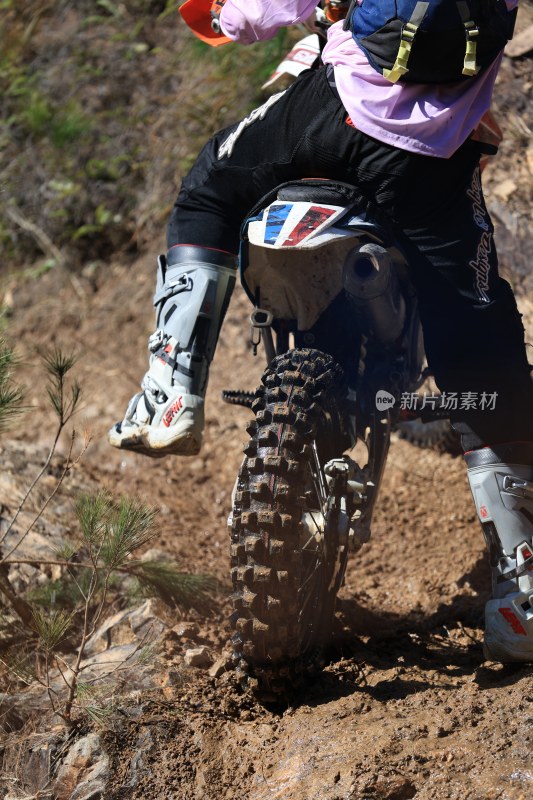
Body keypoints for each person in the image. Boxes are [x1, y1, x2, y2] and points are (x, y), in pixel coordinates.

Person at [109, 0, 533, 662]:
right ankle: (520, 595)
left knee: (208, 192)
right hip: (429, 159)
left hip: (326, 117)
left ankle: (170, 386)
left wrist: (220, 18)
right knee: (481, 345)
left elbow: (266, 10)